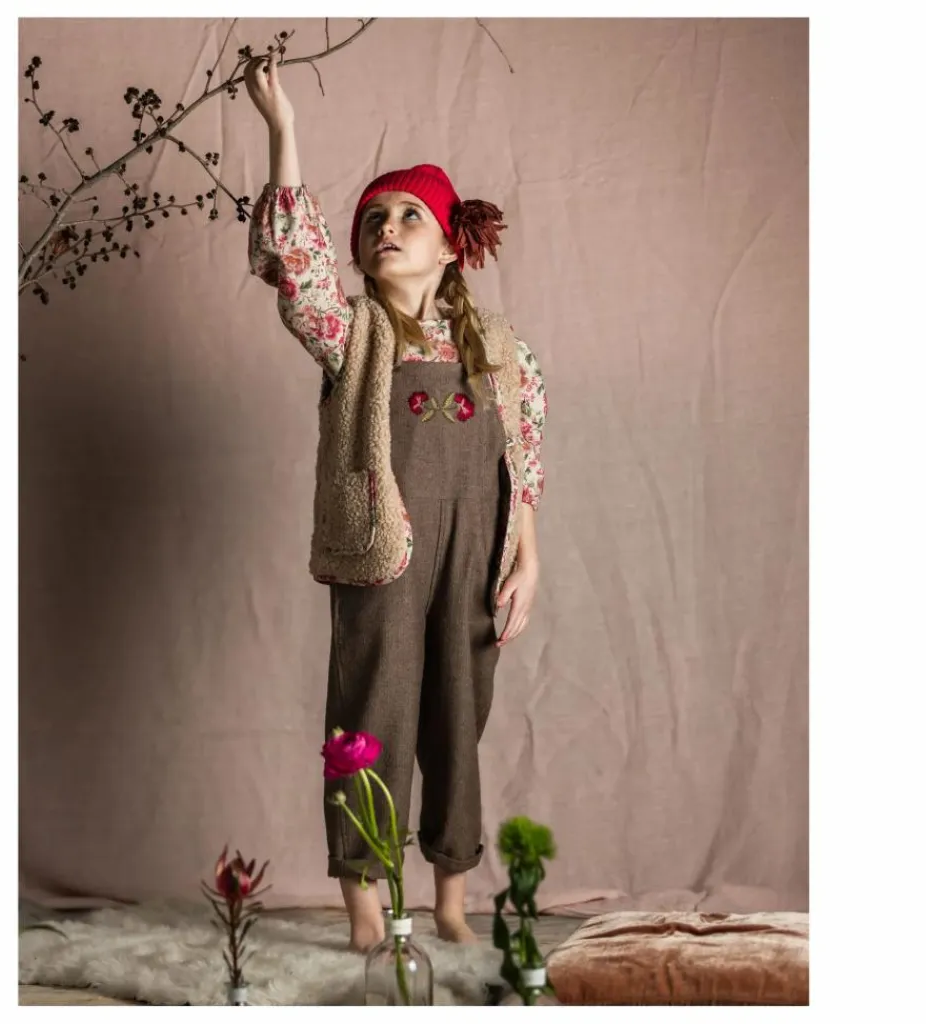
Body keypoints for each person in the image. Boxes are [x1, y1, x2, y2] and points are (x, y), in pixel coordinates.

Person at [243, 54, 548, 952]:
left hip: (476, 556)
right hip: (386, 549)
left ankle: (451, 897)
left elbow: (525, 455)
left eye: (410, 214)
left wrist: (528, 557)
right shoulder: (352, 334)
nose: (387, 227)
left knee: (457, 721)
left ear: (451, 244)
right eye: (373, 218)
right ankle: (368, 906)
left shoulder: (502, 348)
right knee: (372, 718)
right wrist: (284, 130)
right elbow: (297, 271)